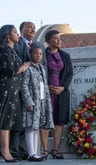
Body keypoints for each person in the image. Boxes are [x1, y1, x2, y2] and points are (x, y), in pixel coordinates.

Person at [10, 21, 47, 160]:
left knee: (32, 123)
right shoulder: (17, 44)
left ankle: (28, 151)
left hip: (37, 91)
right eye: (29, 27)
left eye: (34, 27)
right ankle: (14, 151)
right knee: (18, 122)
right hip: (19, 87)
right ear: (21, 30)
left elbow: (44, 67)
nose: (33, 29)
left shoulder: (39, 45)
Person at [40, 30, 73, 159]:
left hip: (61, 93)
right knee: (44, 120)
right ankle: (44, 151)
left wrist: (62, 87)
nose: (58, 41)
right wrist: (46, 87)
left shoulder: (65, 56)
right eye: (55, 38)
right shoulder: (42, 55)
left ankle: (55, 150)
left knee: (59, 121)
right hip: (46, 92)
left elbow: (69, 73)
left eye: (59, 38)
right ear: (48, 41)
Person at [0, 25, 30, 162]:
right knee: (5, 119)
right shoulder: (4, 50)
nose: (18, 35)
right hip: (6, 88)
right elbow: (11, 70)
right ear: (7, 35)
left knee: (13, 120)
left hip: (14, 90)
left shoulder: (13, 51)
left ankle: (10, 150)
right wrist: (23, 67)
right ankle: (5, 151)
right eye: (15, 32)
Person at [20, 44, 54, 161]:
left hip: (41, 102)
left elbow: (44, 86)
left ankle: (35, 152)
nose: (38, 56)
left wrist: (46, 101)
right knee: (30, 127)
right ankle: (31, 153)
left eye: (40, 54)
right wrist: (28, 102)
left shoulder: (42, 69)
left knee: (37, 127)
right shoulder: (28, 69)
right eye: (35, 53)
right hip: (32, 102)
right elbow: (24, 86)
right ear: (30, 55)